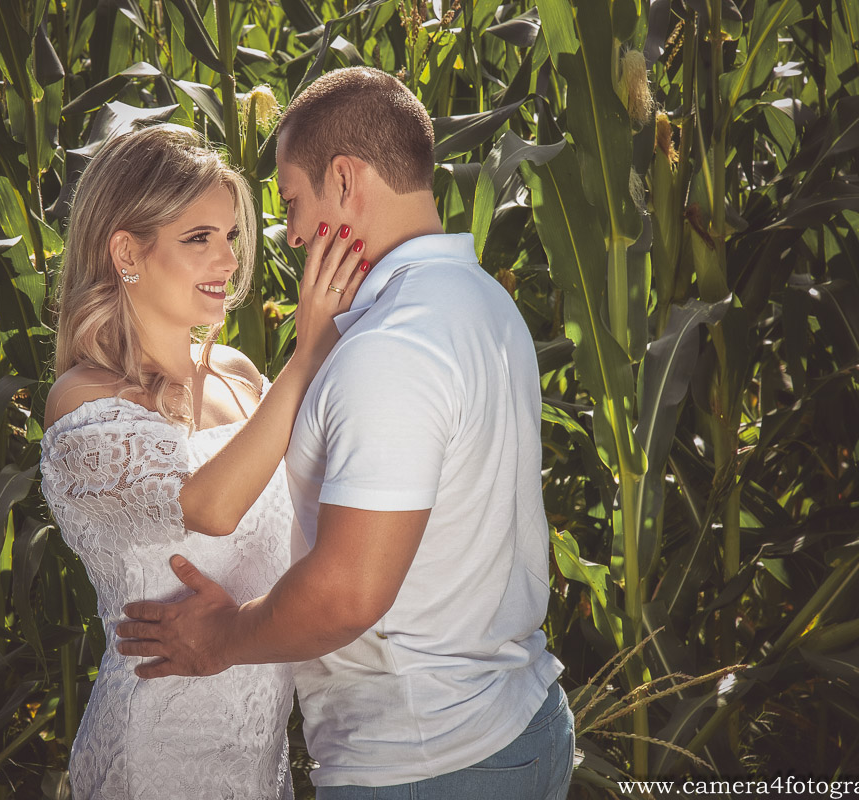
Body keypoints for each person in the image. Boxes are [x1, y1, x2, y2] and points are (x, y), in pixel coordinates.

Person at [117, 69, 575, 798]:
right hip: (520, 723)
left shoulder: (390, 346)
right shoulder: (481, 299)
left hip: (426, 762)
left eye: (293, 202)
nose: (294, 234)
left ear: (344, 178)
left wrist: (218, 639)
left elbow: (347, 594)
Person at [39, 123, 369, 799]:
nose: (227, 260)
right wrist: (307, 355)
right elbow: (210, 508)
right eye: (198, 238)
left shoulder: (240, 377)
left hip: (258, 752)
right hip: (155, 753)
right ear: (126, 252)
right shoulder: (82, 398)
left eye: (231, 236)